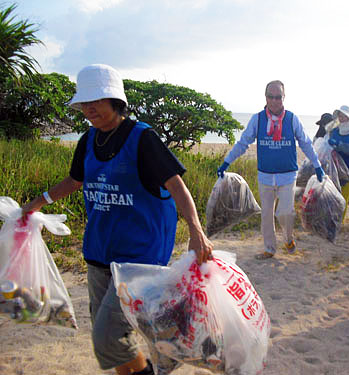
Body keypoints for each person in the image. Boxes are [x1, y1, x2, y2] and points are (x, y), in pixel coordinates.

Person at [21, 64, 213, 375]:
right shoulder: (88, 140)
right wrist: (34, 204)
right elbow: (74, 180)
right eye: (85, 102)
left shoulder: (143, 138)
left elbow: (175, 183)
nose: (89, 108)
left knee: (107, 337)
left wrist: (196, 229)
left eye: (96, 100)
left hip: (140, 256)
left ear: (116, 101)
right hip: (100, 252)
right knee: (111, 334)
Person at [216, 80, 324, 260]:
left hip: (287, 175)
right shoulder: (257, 119)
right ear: (265, 97)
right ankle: (269, 248)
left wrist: (317, 165)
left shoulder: (292, 119)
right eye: (270, 97)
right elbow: (243, 143)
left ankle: (288, 238)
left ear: (284, 97)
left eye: (278, 97)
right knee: (266, 215)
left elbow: (305, 142)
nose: (274, 101)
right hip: (265, 176)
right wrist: (227, 162)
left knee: (285, 212)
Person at [327, 105, 349, 222]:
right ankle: (332, 219)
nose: (341, 118)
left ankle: (339, 222)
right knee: (333, 195)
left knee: (344, 197)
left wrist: (339, 145)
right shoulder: (335, 130)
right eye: (339, 115)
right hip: (335, 167)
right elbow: (327, 141)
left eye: (344, 116)